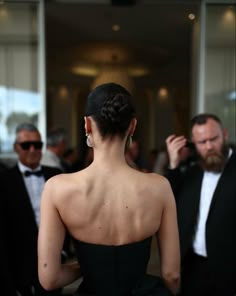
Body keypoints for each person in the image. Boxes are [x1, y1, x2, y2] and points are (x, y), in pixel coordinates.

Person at [38, 83, 180, 296]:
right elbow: (172, 275)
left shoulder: (57, 189)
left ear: (87, 124)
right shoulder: (160, 187)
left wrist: (89, 266)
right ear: (132, 126)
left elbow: (49, 279)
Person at [165, 113, 236, 296]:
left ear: (225, 134)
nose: (209, 146)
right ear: (193, 144)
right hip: (192, 268)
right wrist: (174, 164)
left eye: (214, 139)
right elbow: (168, 203)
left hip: (229, 273)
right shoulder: (192, 172)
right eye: (202, 142)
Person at [0, 123, 62, 295]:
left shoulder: (57, 175)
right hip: (19, 264)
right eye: (26, 145)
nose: (33, 149)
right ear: (16, 148)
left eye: (38, 145)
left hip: (54, 260)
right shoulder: (4, 180)